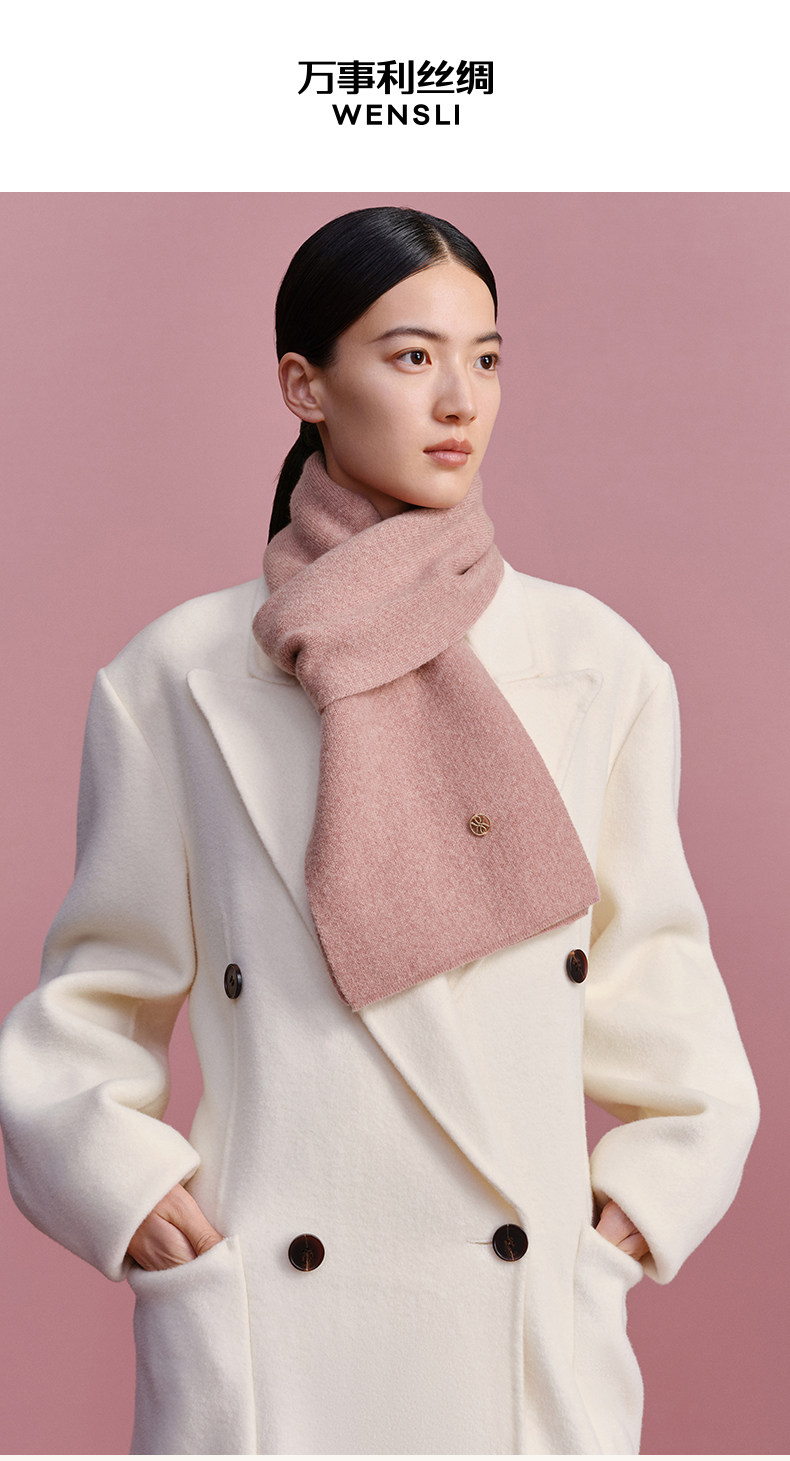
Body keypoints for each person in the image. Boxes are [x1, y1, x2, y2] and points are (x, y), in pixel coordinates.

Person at [0, 206, 759, 1456]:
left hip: (519, 1330)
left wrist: (633, 1215)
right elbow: (96, 994)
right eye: (412, 357)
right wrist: (122, 1187)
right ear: (305, 385)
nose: (460, 400)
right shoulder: (174, 675)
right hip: (277, 1333)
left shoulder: (596, 663)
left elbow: (657, 978)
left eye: (486, 358)